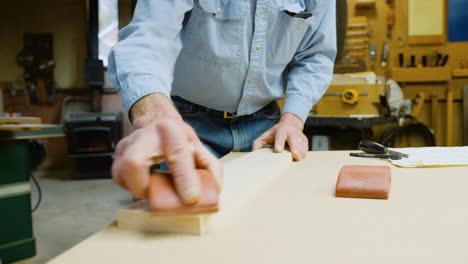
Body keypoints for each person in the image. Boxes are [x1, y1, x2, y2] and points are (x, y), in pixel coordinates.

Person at [108, 0, 337, 205]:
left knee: (263, 218)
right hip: (190, 128)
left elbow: (315, 56)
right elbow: (149, 36)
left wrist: (293, 119)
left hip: (267, 130)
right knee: (191, 220)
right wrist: (156, 117)